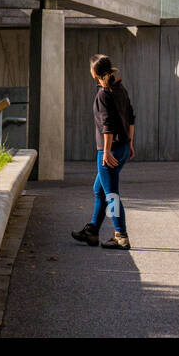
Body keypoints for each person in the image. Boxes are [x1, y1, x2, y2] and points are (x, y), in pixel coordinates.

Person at [71, 53, 135, 250]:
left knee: (111, 195)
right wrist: (130, 144)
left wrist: (106, 152)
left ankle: (121, 235)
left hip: (109, 151)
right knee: (99, 190)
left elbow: (107, 126)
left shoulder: (103, 94)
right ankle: (92, 231)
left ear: (93, 72)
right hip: (123, 147)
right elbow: (131, 117)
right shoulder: (119, 88)